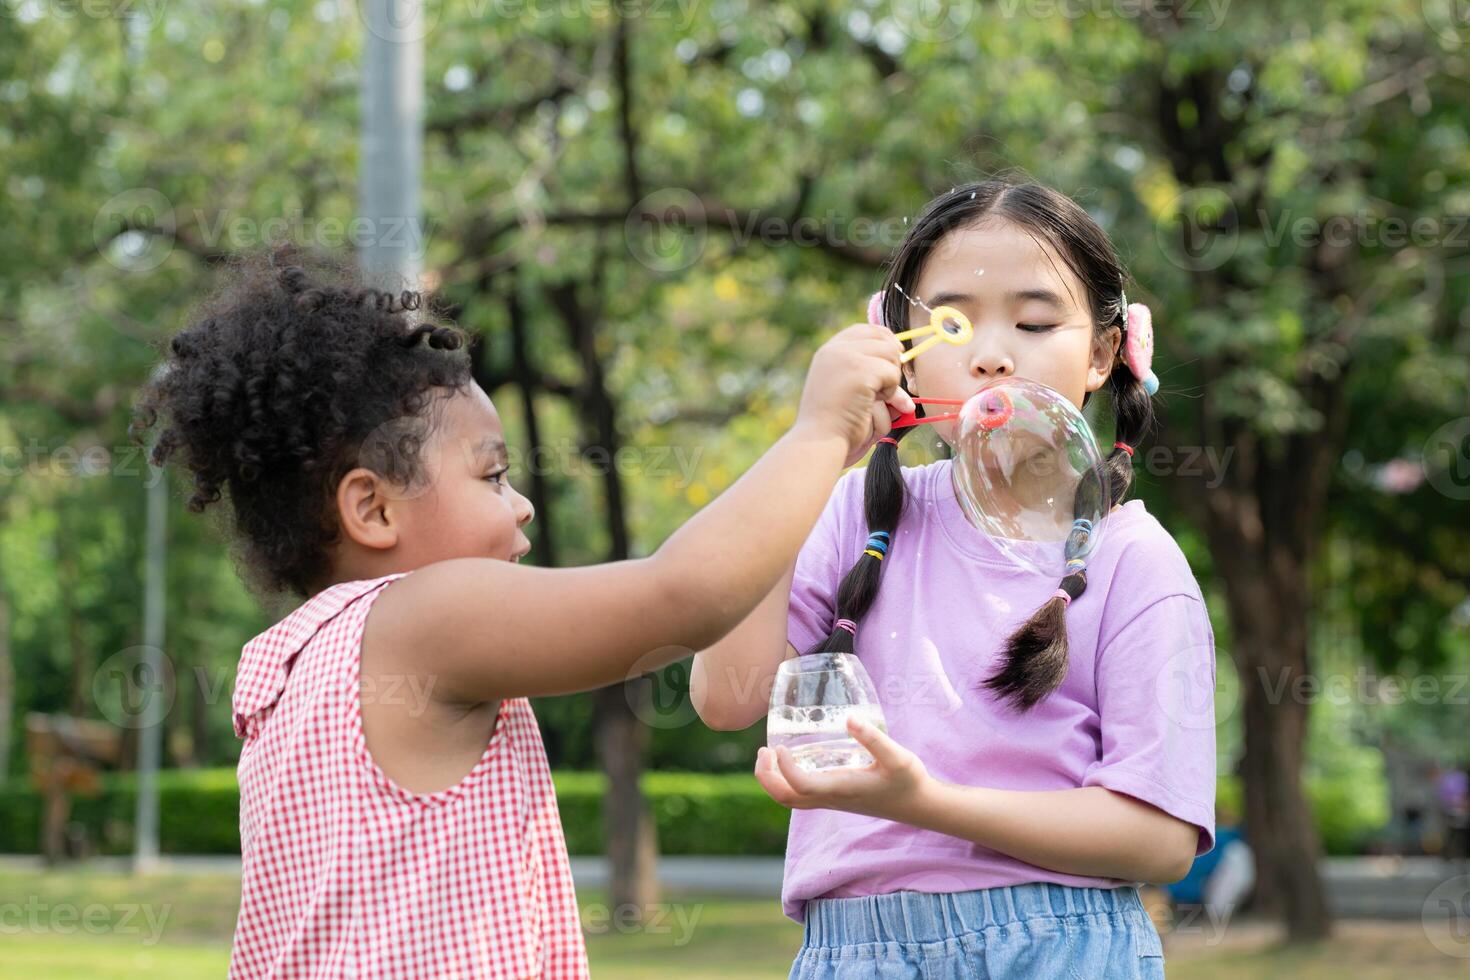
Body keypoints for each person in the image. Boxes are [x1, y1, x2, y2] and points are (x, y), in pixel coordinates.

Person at [131, 246, 912, 978]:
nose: (524, 505)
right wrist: (818, 433)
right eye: (493, 476)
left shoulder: (282, 669)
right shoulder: (426, 616)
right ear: (371, 508)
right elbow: (684, 596)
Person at [692, 179, 1217, 978]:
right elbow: (724, 697)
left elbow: (1161, 839)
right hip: (853, 950)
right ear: (896, 343)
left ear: (1105, 354)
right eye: (953, 322)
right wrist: (813, 446)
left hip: (1059, 946)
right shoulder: (844, 513)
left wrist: (923, 805)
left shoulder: (1134, 561)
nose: (993, 352)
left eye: (1036, 321)